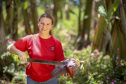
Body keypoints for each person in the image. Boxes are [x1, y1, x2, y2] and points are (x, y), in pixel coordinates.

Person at [7, 14, 69, 84]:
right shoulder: (30, 39)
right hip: (32, 80)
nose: (44, 26)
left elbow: (59, 63)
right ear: (38, 23)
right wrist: (19, 52)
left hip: (51, 80)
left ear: (51, 26)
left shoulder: (56, 43)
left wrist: (64, 70)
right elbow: (10, 48)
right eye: (42, 23)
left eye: (47, 24)